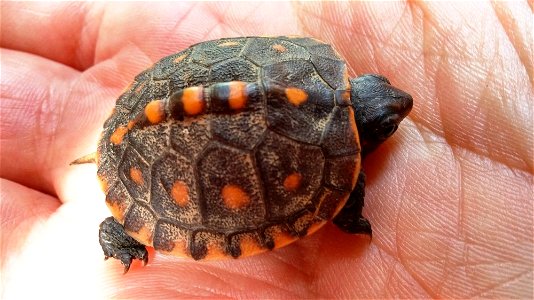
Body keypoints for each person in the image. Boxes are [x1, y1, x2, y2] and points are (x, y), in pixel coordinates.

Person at [1, 2, 532, 298]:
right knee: (128, 220)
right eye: (389, 118)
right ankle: (122, 226)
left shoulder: (311, 64)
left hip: (150, 101)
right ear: (369, 133)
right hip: (149, 149)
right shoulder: (336, 168)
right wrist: (353, 212)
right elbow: (344, 205)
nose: (400, 105)